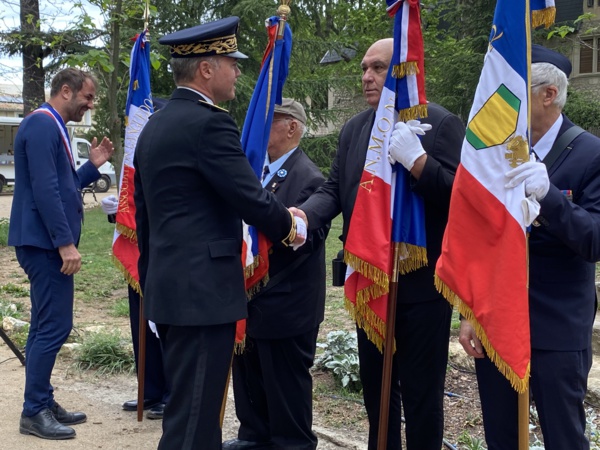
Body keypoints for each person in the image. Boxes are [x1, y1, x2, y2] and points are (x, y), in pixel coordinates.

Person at [133, 17, 305, 450]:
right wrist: (292, 226)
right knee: (192, 424)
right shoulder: (210, 124)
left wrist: (153, 286)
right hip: (202, 298)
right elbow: (250, 198)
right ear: (206, 69)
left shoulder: (155, 124)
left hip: (170, 293)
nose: (238, 71)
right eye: (231, 62)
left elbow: (147, 218)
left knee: (197, 416)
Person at [291, 38, 464, 450]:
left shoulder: (440, 124)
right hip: (370, 280)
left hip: (423, 288)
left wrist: (419, 163)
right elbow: (334, 188)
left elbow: (462, 198)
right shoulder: (355, 128)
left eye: (379, 68)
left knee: (423, 396)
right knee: (377, 391)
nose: (367, 76)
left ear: (405, 73)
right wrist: (305, 213)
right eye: (365, 68)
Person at [459, 45, 600, 450]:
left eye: (516, 91)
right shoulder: (497, 151)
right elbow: (482, 235)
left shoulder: (591, 153)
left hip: (555, 326)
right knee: (501, 436)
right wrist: (471, 311)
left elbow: (593, 239)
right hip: (497, 317)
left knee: (564, 437)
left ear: (548, 95)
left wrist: (551, 198)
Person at [9, 68, 114, 440]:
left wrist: (92, 166)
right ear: (65, 91)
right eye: (86, 97)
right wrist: (64, 243)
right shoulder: (41, 125)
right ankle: (34, 410)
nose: (90, 104)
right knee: (55, 325)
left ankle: (40, 400)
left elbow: (64, 184)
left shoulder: (51, 125)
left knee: (44, 324)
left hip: (43, 242)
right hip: (44, 245)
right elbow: (45, 190)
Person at [223, 99, 329, 450]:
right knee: (250, 378)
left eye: (271, 121)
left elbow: (308, 239)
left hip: (287, 302)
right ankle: (253, 436)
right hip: (249, 299)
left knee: (285, 388)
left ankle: (291, 444)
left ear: (292, 128)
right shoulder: (255, 170)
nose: (259, 129)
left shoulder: (308, 178)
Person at [101, 97, 170, 420]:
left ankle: (171, 392)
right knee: (140, 322)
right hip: (140, 250)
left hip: (167, 252)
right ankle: (150, 389)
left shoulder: (172, 152)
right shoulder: (139, 156)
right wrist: (119, 214)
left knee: (166, 325)